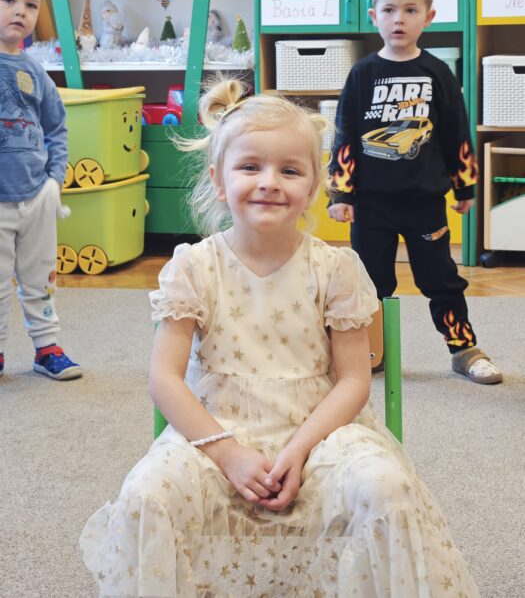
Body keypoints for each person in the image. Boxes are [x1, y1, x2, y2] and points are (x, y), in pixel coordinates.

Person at [80, 77, 479, 596]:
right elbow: (165, 380)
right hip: (215, 432)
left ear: (313, 188)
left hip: (322, 433)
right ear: (218, 180)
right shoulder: (193, 268)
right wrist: (228, 453)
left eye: (289, 171)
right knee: (146, 493)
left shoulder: (337, 268)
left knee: (386, 486)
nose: (269, 182)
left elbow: (354, 380)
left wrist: (299, 449)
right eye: (250, 167)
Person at [328, 0, 502, 385]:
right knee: (370, 284)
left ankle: (464, 349)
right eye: (389, 10)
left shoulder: (437, 72)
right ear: (374, 15)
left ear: (428, 16)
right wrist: (341, 193)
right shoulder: (362, 74)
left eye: (410, 10)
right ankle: (370, 354)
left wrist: (465, 185)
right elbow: (345, 134)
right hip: (371, 204)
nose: (399, 20)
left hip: (424, 202)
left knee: (440, 279)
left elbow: (456, 132)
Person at [0, 0, 81, 381]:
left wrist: (55, 180)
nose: (21, 12)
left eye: (30, 5)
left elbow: (56, 127)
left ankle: (47, 347)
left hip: (36, 195)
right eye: (9, 0)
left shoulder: (35, 71)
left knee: (41, 277)